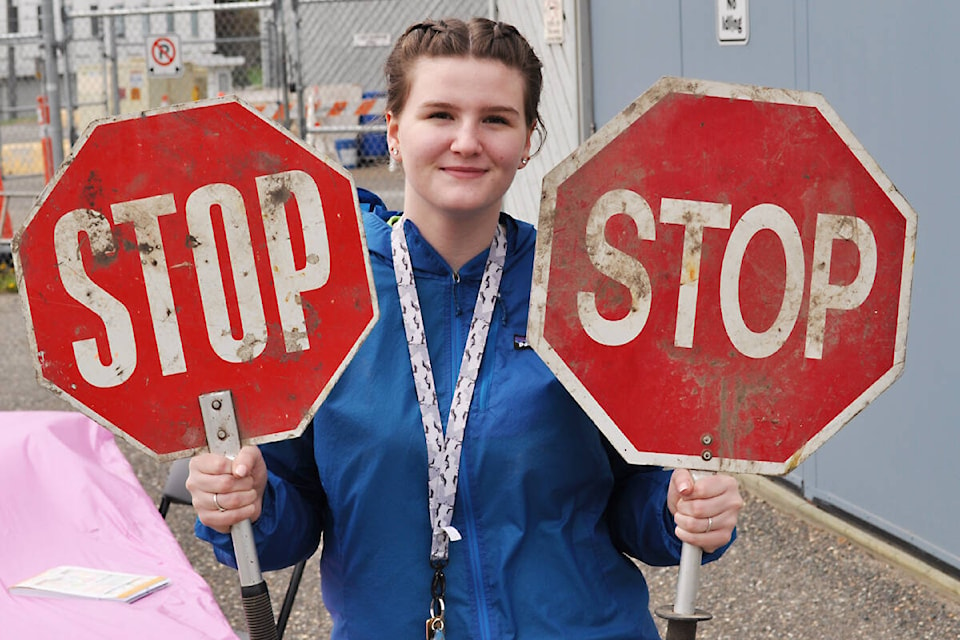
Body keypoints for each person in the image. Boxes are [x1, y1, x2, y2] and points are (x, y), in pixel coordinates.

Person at [187, 16, 744, 639]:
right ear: (394, 131)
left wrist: (678, 509)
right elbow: (294, 512)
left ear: (528, 140)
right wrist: (250, 506)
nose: (467, 141)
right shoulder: (321, 298)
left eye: (497, 120)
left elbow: (630, 495)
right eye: (441, 115)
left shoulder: (586, 289)